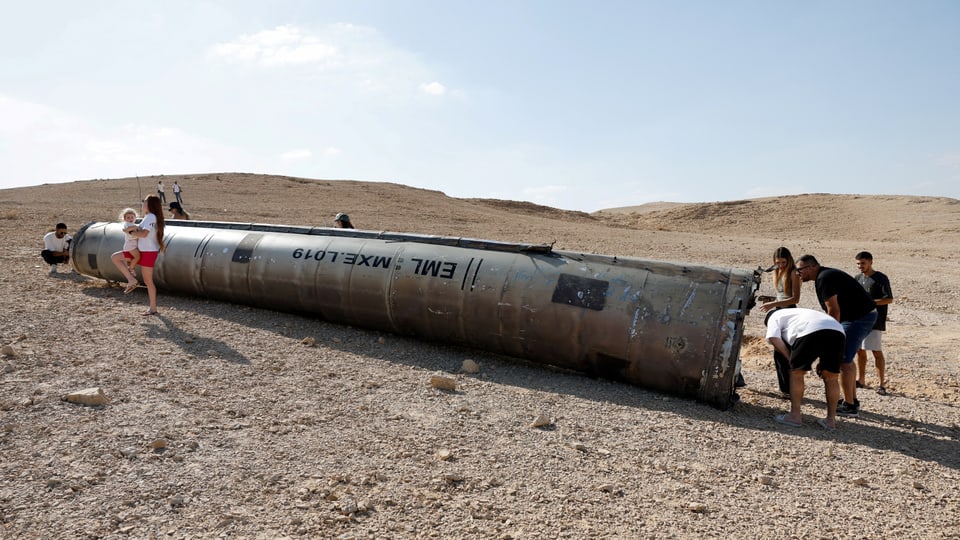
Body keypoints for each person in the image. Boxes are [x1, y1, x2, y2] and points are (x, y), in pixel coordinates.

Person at [796, 254, 877, 418]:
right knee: (847, 359)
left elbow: (833, 310)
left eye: (800, 270)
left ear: (812, 267)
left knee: (843, 361)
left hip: (859, 318)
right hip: (860, 316)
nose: (798, 274)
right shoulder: (824, 276)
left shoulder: (824, 278)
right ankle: (851, 399)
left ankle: (850, 406)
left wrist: (832, 340)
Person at [766, 308, 844, 430]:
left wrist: (790, 358)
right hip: (838, 330)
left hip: (810, 330)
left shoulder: (773, 316)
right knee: (831, 377)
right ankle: (830, 421)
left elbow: (773, 338)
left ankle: (795, 416)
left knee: (796, 373)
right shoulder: (796, 313)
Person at [758, 247, 803, 395]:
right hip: (780, 311)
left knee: (784, 351)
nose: (781, 265)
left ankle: (789, 390)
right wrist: (772, 300)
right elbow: (782, 296)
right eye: (778, 262)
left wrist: (773, 304)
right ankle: (785, 388)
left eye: (784, 262)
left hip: (789, 312)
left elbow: (795, 298)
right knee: (778, 352)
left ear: (789, 260)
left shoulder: (793, 272)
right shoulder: (777, 271)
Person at [111, 195, 165, 314]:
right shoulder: (148, 217)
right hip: (140, 250)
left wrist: (130, 231)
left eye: (144, 202)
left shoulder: (151, 217)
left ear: (149, 204)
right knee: (115, 257)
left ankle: (153, 308)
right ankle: (131, 280)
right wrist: (131, 230)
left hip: (148, 252)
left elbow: (144, 234)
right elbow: (140, 232)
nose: (143, 204)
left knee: (148, 281)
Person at [854, 251, 894, 395]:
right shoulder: (857, 278)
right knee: (860, 350)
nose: (860, 266)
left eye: (863, 263)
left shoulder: (880, 278)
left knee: (876, 351)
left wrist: (870, 303)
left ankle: (881, 383)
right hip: (859, 320)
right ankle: (861, 380)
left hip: (875, 320)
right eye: (858, 263)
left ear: (871, 262)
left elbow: (888, 299)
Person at [119, 208, 142, 272]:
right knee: (137, 257)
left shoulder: (132, 224)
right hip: (130, 245)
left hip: (131, 245)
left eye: (132, 217)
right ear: (125, 219)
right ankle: (131, 269)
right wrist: (136, 227)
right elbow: (127, 230)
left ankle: (130, 269)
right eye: (128, 218)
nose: (130, 219)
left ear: (135, 217)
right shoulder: (127, 224)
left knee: (130, 260)